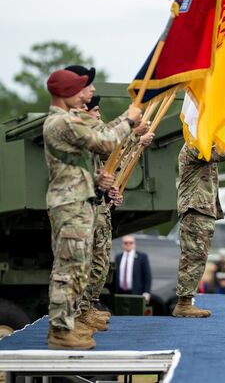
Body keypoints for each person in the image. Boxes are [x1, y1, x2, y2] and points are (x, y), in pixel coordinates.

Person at [43, 69, 140, 349]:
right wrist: (129, 119)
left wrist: (96, 179)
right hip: (69, 204)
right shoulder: (61, 121)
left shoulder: (67, 120)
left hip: (77, 201)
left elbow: (74, 163)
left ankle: (69, 324)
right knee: (68, 267)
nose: (84, 95)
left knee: (79, 266)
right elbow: (105, 142)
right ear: (64, 94)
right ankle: (60, 330)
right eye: (77, 90)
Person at [172, 144, 225, 317]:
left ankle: (186, 301)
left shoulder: (201, 143)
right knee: (193, 256)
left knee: (198, 256)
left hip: (201, 209)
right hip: (195, 208)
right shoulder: (194, 145)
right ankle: (184, 304)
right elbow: (222, 154)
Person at [114, 234, 153, 304]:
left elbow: (147, 276)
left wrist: (146, 292)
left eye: (131, 243)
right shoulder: (118, 257)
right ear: (122, 244)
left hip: (136, 293)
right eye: (126, 243)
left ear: (134, 244)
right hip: (120, 292)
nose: (128, 244)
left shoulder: (142, 257)